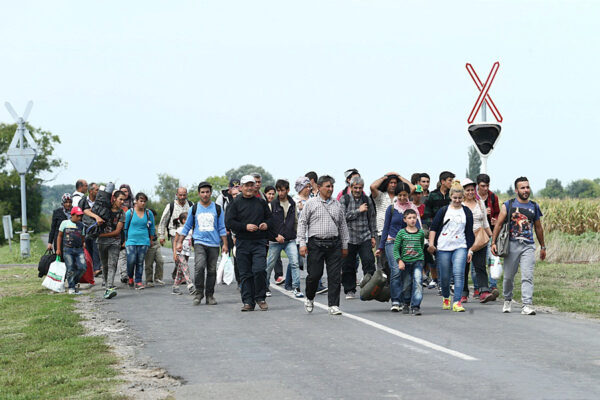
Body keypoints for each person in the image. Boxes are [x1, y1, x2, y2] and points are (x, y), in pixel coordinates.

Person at [491, 177, 546, 315]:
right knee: (509, 276)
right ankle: (507, 299)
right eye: (522, 188)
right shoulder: (508, 205)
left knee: (527, 276)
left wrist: (543, 247)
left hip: (528, 245)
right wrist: (493, 242)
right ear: (516, 190)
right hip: (511, 245)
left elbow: (538, 228)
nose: (526, 190)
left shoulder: (534, 206)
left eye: (527, 187)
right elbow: (498, 224)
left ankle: (527, 304)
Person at [297, 175, 349, 315]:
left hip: (334, 244)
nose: (330, 189)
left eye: (332, 186)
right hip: (316, 244)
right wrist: (302, 243)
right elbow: (302, 223)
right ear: (319, 187)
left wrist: (345, 245)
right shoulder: (311, 203)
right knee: (314, 275)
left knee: (335, 276)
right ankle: (310, 297)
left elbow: (343, 226)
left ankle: (333, 304)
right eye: (327, 186)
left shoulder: (337, 204)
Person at [176, 182, 228, 306]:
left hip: (214, 244)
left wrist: (225, 244)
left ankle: (210, 295)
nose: (205, 194)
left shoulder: (217, 209)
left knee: (211, 270)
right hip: (199, 242)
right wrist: (180, 241)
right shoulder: (194, 209)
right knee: (199, 267)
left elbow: (221, 227)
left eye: (207, 192)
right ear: (199, 193)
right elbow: (187, 226)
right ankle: (199, 293)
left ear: (211, 193)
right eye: (203, 192)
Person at [225, 175, 272, 311]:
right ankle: (248, 302)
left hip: (259, 242)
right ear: (241, 187)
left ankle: (260, 298)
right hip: (242, 242)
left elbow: (270, 220)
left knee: (259, 270)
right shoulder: (235, 203)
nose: (249, 188)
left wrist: (265, 225)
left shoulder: (261, 203)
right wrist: (245, 226)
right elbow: (229, 222)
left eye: (252, 185)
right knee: (245, 273)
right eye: (247, 185)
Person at [428, 181, 474, 313]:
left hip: (461, 245)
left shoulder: (466, 212)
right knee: (445, 276)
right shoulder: (444, 211)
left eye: (460, 198)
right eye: (455, 198)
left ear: (463, 197)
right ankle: (446, 297)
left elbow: (470, 232)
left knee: (459, 274)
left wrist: (470, 250)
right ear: (450, 197)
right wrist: (431, 244)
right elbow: (434, 228)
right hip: (443, 247)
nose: (457, 201)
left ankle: (457, 301)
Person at [377, 182, 422, 311]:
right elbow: (386, 228)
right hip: (392, 242)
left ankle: (405, 300)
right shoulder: (391, 208)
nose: (403, 198)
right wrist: (380, 247)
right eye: (400, 195)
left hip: (408, 244)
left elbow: (417, 226)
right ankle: (395, 300)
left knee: (406, 272)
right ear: (397, 195)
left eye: (405, 195)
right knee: (396, 270)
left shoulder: (412, 208)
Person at [339, 176, 376, 299]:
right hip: (349, 237)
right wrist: (358, 211)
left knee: (369, 261)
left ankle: (369, 287)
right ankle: (349, 290)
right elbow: (342, 217)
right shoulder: (345, 199)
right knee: (348, 265)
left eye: (360, 188)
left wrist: (373, 236)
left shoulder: (367, 200)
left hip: (364, 235)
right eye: (355, 188)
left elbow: (371, 218)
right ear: (351, 187)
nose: (357, 190)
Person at [266, 179, 303, 298]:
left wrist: (298, 236)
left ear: (287, 190)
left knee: (295, 263)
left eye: (282, 190)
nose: (280, 193)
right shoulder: (271, 205)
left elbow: (296, 222)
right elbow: (268, 225)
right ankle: (265, 286)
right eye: (278, 190)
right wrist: (275, 236)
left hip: (290, 240)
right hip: (275, 241)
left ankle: (296, 287)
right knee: (269, 265)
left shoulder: (293, 204)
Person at [370, 173, 413, 276]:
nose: (393, 185)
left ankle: (393, 285)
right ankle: (382, 286)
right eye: (391, 183)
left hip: (398, 232)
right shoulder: (380, 195)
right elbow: (372, 186)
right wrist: (385, 176)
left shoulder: (401, 197)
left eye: (395, 183)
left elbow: (412, 188)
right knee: (382, 261)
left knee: (396, 261)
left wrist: (399, 176)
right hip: (381, 230)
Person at [461, 178, 495, 303]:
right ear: (463, 191)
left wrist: (492, 238)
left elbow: (485, 222)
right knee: (464, 267)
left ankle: (484, 291)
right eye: (467, 190)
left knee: (480, 265)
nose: (470, 192)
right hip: (464, 239)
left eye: (472, 190)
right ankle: (463, 293)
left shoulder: (480, 203)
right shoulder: (460, 205)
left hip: (480, 238)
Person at [423, 171, 454, 291]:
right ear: (442, 181)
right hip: (437, 231)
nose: (451, 183)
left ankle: (451, 283)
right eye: (449, 180)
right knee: (441, 258)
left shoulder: (453, 196)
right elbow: (427, 214)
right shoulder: (433, 195)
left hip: (451, 231)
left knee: (451, 257)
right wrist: (432, 228)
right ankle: (441, 285)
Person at [393, 209, 425, 315]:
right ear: (405, 220)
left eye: (414, 218)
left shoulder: (420, 233)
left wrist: (420, 258)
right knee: (406, 284)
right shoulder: (401, 233)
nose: (412, 220)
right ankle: (406, 303)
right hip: (405, 262)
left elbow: (421, 246)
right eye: (410, 218)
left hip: (418, 261)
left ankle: (416, 306)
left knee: (418, 281)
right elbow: (396, 249)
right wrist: (399, 261)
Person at [124, 192, 156, 290]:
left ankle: (138, 281)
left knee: (140, 262)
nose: (143, 203)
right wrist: (125, 240)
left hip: (144, 240)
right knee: (131, 260)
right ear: (136, 201)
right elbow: (125, 228)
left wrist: (150, 240)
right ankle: (130, 277)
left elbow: (152, 227)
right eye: (141, 201)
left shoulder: (148, 213)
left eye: (144, 201)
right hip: (131, 240)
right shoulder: (130, 212)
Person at [97, 190, 126, 299]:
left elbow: (117, 231)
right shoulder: (104, 210)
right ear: (114, 198)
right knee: (104, 265)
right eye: (120, 199)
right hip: (101, 243)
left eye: (124, 200)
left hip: (114, 242)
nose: (122, 202)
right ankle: (106, 285)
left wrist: (101, 235)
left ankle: (109, 287)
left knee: (112, 264)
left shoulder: (121, 213)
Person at [477, 173, 500, 292]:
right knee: (478, 261)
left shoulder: (493, 197)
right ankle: (477, 287)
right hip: (477, 232)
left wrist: (495, 219)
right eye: (483, 186)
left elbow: (498, 212)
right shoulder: (473, 196)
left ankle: (493, 285)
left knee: (492, 257)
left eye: (487, 185)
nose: (485, 188)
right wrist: (483, 213)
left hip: (490, 231)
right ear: (478, 185)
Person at [56, 206, 87, 295]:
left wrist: (83, 244)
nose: (79, 218)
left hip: (79, 250)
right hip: (68, 249)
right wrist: (58, 249)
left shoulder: (81, 225)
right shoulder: (65, 223)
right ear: (72, 215)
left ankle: (74, 281)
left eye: (80, 216)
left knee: (82, 267)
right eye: (77, 216)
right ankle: (71, 287)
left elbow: (82, 237)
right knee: (70, 268)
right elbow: (60, 236)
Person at [78, 183, 102, 275]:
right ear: (90, 191)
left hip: (96, 229)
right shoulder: (83, 201)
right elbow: (79, 214)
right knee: (87, 249)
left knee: (96, 247)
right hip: (85, 229)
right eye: (96, 190)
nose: (98, 192)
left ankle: (96, 268)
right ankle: (90, 269)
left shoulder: (99, 202)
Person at [172, 212, 195, 295]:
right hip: (180, 252)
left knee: (180, 270)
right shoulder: (180, 230)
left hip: (187, 252)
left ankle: (175, 287)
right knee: (185, 267)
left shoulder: (192, 230)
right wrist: (175, 253)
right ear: (183, 220)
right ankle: (190, 285)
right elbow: (175, 241)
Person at [117, 184, 134, 282]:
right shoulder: (116, 203)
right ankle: (124, 274)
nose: (124, 193)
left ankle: (130, 274)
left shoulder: (133, 203)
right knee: (122, 254)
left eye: (126, 191)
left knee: (131, 255)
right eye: (122, 191)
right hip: (120, 231)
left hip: (131, 231)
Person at [144, 209, 165, 287]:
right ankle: (149, 280)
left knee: (160, 261)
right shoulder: (146, 222)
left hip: (156, 243)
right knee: (149, 263)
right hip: (149, 243)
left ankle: (158, 278)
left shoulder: (152, 223)